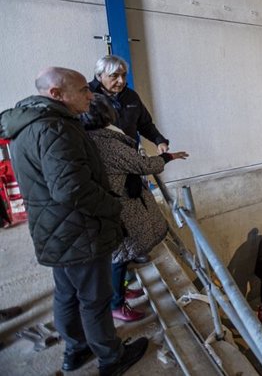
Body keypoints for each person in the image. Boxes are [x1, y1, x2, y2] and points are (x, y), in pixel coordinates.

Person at [0, 67, 148, 374]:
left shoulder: (29, 122)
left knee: (66, 294)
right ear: (56, 93)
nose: (90, 94)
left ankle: (76, 350)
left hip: (52, 228)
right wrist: (111, 205)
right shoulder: (56, 129)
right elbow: (71, 188)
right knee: (95, 299)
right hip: (79, 230)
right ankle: (112, 357)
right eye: (82, 90)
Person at [80, 94, 188, 322]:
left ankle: (119, 292)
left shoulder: (87, 137)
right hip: (119, 206)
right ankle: (116, 303)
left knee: (120, 255)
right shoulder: (107, 142)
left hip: (108, 204)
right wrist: (168, 157)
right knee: (120, 256)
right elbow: (142, 165)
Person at [89, 55, 169, 153]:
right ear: (99, 76)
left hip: (129, 154)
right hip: (100, 157)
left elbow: (145, 124)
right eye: (114, 75)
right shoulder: (87, 95)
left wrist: (159, 141)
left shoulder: (131, 96)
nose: (121, 81)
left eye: (124, 75)